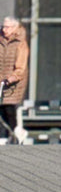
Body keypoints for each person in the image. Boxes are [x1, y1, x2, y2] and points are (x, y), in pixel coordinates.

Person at [0, 16, 29, 144]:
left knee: (9, 106)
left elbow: (21, 66)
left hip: (14, 81)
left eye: (7, 27)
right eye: (3, 26)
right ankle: (11, 133)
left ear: (15, 28)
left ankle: (16, 131)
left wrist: (13, 77)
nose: (4, 29)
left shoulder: (20, 43)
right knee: (2, 108)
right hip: (1, 79)